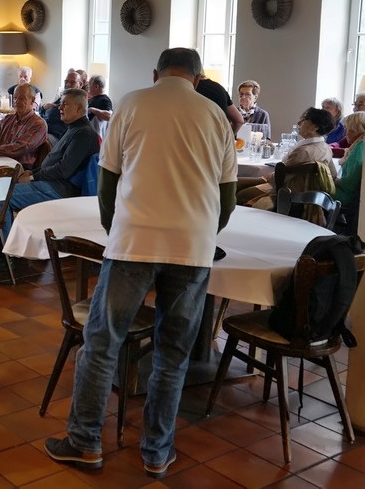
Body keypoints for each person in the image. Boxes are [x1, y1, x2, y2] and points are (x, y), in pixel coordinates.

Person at [45, 48, 236, 479]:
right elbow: (226, 200)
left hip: (134, 240)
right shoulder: (215, 116)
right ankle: (157, 451)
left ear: (155, 73)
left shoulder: (131, 104)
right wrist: (203, 233)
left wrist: (116, 229)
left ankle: (84, 442)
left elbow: (107, 181)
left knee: (102, 343)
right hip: (192, 247)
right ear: (198, 78)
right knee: (173, 353)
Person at [0, 88, 99, 239]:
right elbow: (55, 162)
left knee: (2, 196)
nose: (59, 107)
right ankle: (2, 241)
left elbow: (63, 170)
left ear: (79, 108)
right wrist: (33, 172)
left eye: (65, 104)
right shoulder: (74, 128)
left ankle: (4, 248)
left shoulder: (84, 133)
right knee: (0, 189)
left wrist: (33, 177)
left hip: (62, 189)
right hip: (53, 182)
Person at [236, 107, 338, 206]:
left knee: (240, 192)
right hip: (309, 195)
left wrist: (262, 178)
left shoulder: (303, 151)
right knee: (239, 183)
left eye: (304, 120)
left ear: (315, 127)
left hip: (287, 193)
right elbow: (333, 174)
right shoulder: (326, 148)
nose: (299, 123)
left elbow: (279, 178)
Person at [0, 83, 46, 169]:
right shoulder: (7, 119)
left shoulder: (38, 124)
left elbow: (20, 147)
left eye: (22, 98)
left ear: (32, 101)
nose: (17, 101)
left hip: (18, 169)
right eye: (15, 98)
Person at [335, 111, 365, 234]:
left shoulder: (360, 146)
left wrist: (334, 180)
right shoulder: (361, 144)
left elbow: (349, 184)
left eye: (350, 130)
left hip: (348, 195)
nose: (346, 133)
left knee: (312, 189)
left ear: (360, 131)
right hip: (350, 193)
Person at [42, 70, 82, 143]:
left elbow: (52, 114)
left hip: (58, 137)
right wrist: (44, 107)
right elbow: (46, 110)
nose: (68, 84)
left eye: (72, 82)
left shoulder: (79, 102)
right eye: (66, 81)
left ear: (80, 84)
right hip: (45, 130)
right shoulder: (62, 97)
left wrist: (46, 110)